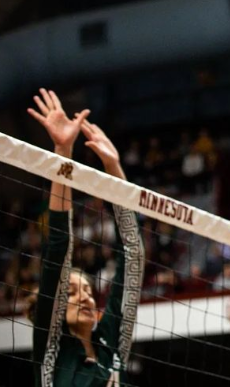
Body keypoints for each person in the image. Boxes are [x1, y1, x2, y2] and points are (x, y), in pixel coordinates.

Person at [27, 88, 144, 386]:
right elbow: (58, 247)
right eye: (72, 293)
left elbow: (133, 254)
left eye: (89, 291)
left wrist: (113, 167)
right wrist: (63, 154)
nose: (86, 298)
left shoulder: (111, 342)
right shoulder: (51, 350)